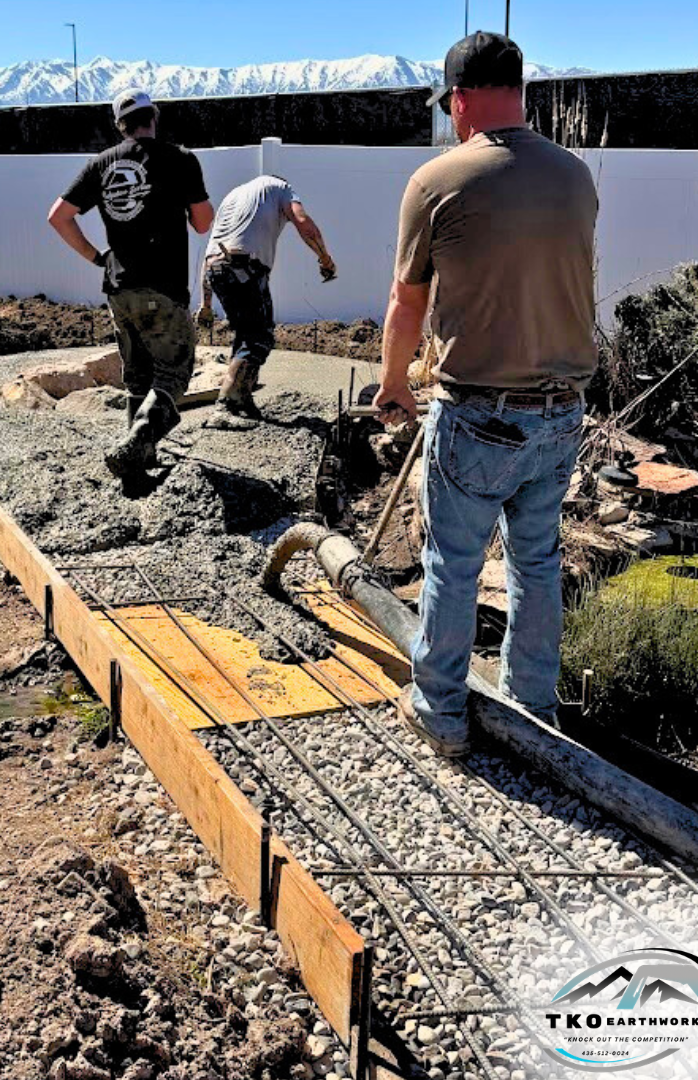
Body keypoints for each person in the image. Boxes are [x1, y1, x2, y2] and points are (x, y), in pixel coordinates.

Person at [372, 31, 598, 756]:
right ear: (522, 93)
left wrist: (392, 386)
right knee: (536, 563)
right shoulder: (574, 176)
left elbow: (407, 306)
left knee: (453, 563)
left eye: (452, 105)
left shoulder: (438, 181)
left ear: (461, 99)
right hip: (562, 413)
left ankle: (440, 712)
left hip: (477, 414)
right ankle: (535, 712)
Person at [48, 88, 214, 482]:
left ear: (121, 126)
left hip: (119, 289)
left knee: (137, 375)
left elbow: (58, 216)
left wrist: (97, 257)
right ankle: (142, 435)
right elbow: (204, 222)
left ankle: (136, 465)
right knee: (173, 373)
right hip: (163, 287)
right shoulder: (180, 159)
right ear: (152, 119)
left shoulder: (100, 164)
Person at [196, 175, 336, 423]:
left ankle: (242, 398)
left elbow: (210, 253)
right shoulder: (281, 188)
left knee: (245, 333)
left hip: (215, 270)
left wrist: (205, 304)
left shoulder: (234, 196)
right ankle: (225, 407)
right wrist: (325, 259)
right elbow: (304, 224)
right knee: (258, 336)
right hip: (243, 268)